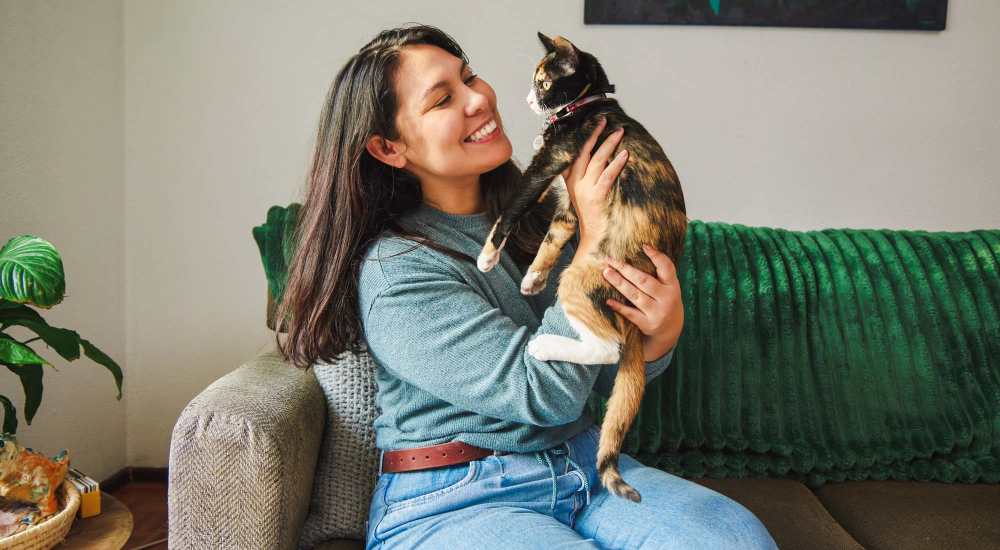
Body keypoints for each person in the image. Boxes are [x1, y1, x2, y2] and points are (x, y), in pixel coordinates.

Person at [275, 23, 779, 550]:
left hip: (586, 465)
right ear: (388, 147)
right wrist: (593, 242)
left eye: (469, 76)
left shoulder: (541, 222)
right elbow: (546, 395)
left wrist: (656, 340)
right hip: (459, 498)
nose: (478, 99)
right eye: (444, 98)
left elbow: (592, 387)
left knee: (738, 540)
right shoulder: (396, 269)